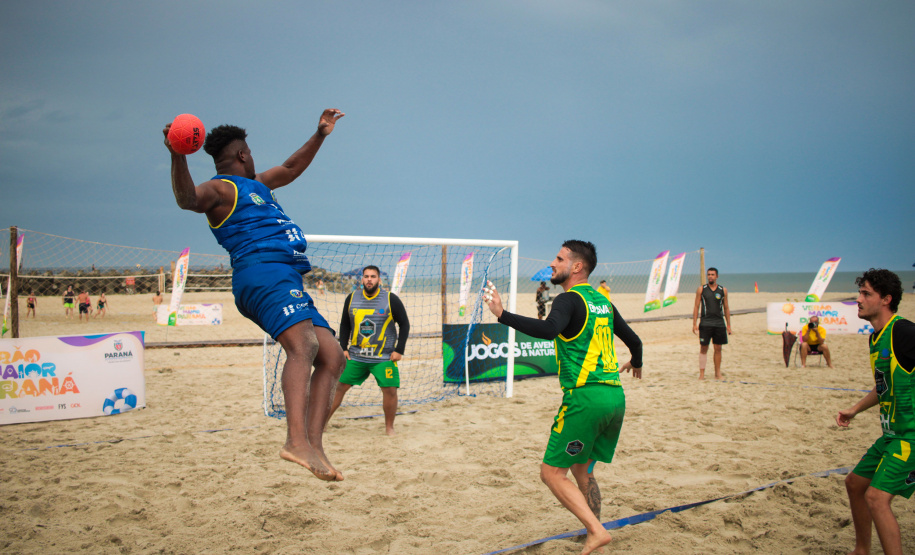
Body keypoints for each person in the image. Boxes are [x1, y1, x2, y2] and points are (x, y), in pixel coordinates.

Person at [164, 108, 346, 481]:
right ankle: (295, 441)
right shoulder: (220, 189)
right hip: (261, 275)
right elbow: (187, 199)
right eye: (250, 151)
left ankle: (313, 444)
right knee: (304, 347)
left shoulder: (261, 184)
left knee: (333, 356)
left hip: (286, 277)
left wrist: (320, 134)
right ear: (243, 154)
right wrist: (177, 154)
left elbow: (292, 168)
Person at [485, 240, 643, 555]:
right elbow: (635, 341)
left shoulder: (568, 299)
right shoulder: (603, 302)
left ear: (577, 267)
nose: (553, 263)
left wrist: (502, 315)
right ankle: (592, 530)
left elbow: (548, 330)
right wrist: (635, 363)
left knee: (550, 473)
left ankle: (597, 532)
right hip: (614, 397)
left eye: (559, 259)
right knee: (582, 469)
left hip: (585, 399)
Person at [836, 269, 915, 555]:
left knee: (877, 498)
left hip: (911, 438)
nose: (858, 299)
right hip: (892, 435)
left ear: (886, 300)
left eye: (866, 293)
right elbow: (884, 386)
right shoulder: (876, 338)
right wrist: (855, 409)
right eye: (860, 292)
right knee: (855, 483)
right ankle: (862, 550)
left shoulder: (904, 332)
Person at [328, 265, 410, 436]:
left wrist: (399, 349)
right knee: (339, 387)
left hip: (384, 356)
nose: (369, 279)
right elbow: (345, 324)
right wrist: (343, 348)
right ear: (362, 279)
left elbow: (404, 324)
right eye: (366, 276)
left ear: (379, 280)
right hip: (357, 355)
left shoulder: (390, 299)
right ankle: (321, 423)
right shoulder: (352, 298)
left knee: (390, 389)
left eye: (373, 276)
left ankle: (389, 428)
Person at [691, 267, 731, 380]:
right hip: (705, 323)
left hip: (719, 323)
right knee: (703, 348)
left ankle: (717, 373)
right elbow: (696, 306)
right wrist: (694, 323)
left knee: (718, 348)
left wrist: (728, 325)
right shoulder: (701, 289)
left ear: (717, 276)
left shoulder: (723, 290)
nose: (710, 276)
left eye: (712, 274)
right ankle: (702, 374)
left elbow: (726, 308)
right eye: (708, 274)